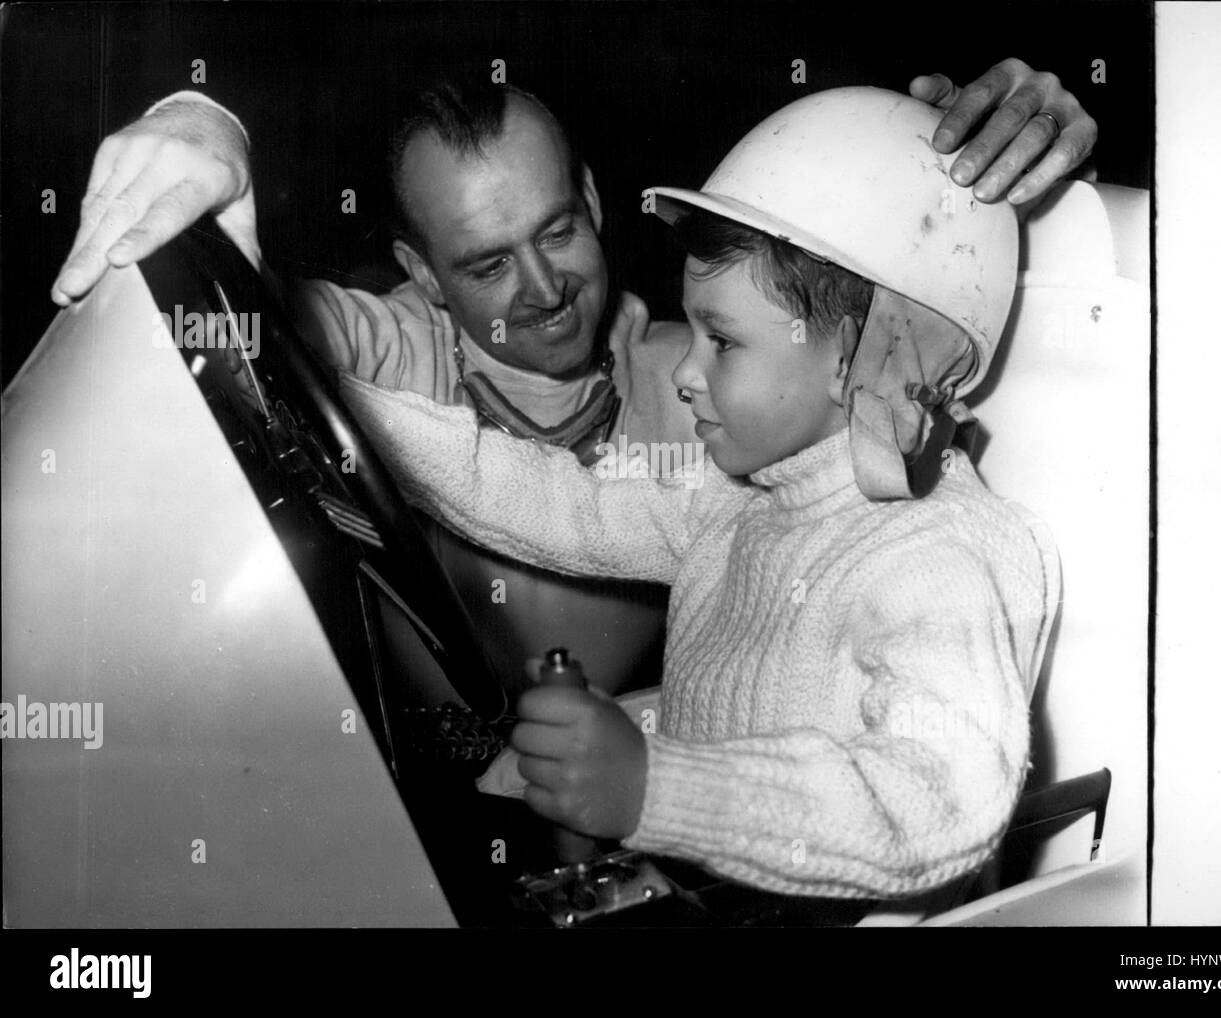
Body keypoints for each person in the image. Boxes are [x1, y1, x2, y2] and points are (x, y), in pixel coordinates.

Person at [47, 61, 1092, 698]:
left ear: (593, 198)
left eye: (557, 231)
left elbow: (891, 366)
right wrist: (203, 127)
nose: (546, 290)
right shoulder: (390, 354)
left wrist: (987, 168)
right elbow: (259, 318)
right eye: (488, 265)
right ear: (420, 275)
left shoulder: (705, 372)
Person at [333, 86, 1059, 900]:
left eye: (722, 342)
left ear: (865, 357)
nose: (684, 371)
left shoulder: (937, 555)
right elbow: (553, 498)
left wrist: (656, 789)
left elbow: (942, 799)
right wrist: (350, 415)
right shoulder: (732, 496)